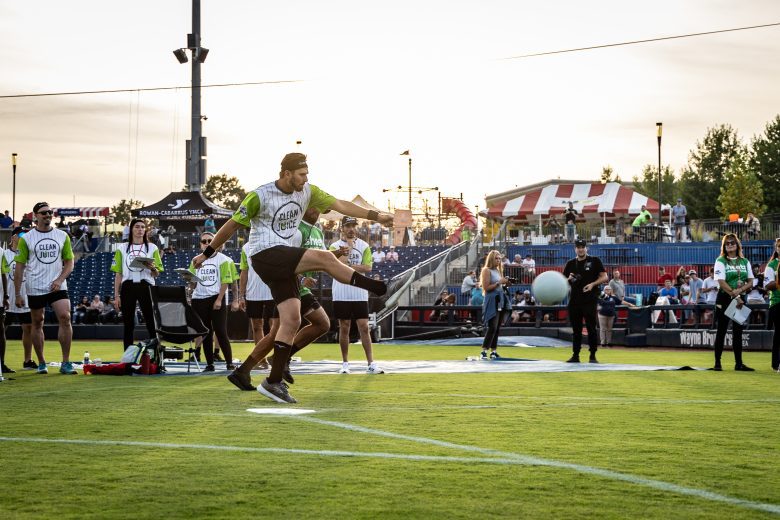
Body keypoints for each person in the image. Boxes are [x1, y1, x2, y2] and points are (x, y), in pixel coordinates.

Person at [193, 152, 393, 403]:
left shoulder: (308, 191)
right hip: (264, 254)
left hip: (285, 264)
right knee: (325, 259)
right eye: (301, 174)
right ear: (287, 174)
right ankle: (373, 286)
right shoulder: (260, 195)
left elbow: (341, 204)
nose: (305, 178)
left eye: (307, 173)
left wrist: (376, 216)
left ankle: (272, 381)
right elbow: (232, 225)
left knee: (291, 320)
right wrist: (207, 253)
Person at [227, 207, 333, 390]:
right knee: (315, 325)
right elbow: (286, 260)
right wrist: (301, 278)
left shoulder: (316, 231)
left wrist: (335, 257)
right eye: (315, 206)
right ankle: (273, 367)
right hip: (289, 285)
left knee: (282, 331)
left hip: (297, 288)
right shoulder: (294, 229)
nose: (318, 211)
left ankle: (244, 371)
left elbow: (319, 258)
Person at [13, 202, 76, 374]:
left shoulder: (62, 236)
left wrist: (60, 279)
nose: (48, 215)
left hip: (57, 285)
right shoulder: (26, 238)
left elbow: (69, 262)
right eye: (43, 213)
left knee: (65, 317)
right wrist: (18, 294)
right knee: (37, 322)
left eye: (49, 212)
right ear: (36, 216)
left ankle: (66, 362)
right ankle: (41, 362)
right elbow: (19, 267)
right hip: (35, 286)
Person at [330, 216, 383, 374]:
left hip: (359, 291)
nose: (351, 229)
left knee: (364, 327)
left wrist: (350, 267)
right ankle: (345, 363)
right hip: (341, 292)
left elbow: (367, 267)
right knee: (344, 327)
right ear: (342, 228)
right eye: (348, 226)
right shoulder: (334, 246)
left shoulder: (364, 245)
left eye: (353, 225)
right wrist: (349, 248)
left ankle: (371, 363)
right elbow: (338, 266)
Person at [111, 219, 163, 349]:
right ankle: (128, 355)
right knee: (128, 323)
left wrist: (152, 268)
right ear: (131, 229)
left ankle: (155, 354)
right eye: (137, 227)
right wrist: (116, 296)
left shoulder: (152, 247)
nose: (140, 229)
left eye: (142, 227)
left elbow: (156, 274)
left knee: (150, 321)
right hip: (128, 286)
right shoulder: (122, 248)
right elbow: (118, 274)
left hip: (146, 285)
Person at [188, 232, 236, 372]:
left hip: (215, 297)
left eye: (210, 240)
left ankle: (229, 363)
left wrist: (219, 299)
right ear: (200, 244)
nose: (207, 243)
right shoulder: (195, 260)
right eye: (204, 241)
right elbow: (193, 283)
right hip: (198, 299)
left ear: (217, 242)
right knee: (206, 333)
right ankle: (210, 364)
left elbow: (225, 281)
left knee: (220, 331)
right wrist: (189, 279)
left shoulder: (224, 260)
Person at [711, 233, 754, 371]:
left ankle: (739, 364)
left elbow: (751, 282)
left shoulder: (744, 261)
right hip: (724, 298)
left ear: (737, 245)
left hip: (740, 299)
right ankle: (717, 363)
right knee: (721, 330)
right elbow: (721, 282)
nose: (730, 245)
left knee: (738, 332)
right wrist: (736, 296)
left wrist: (740, 290)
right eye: (727, 243)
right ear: (724, 246)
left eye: (732, 242)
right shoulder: (720, 260)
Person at [562, 238, 608, 363]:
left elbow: (605, 277)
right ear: (575, 249)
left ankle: (592, 355)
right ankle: (575, 355)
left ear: (586, 248)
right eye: (578, 247)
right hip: (574, 301)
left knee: (591, 328)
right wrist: (569, 279)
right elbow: (563, 282)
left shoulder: (595, 260)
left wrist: (593, 284)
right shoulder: (570, 263)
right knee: (576, 330)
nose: (581, 249)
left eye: (583, 247)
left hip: (590, 300)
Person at [2, 227, 38, 370]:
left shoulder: (29, 255)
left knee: (28, 328)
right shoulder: (4, 254)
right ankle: (1, 363)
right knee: (2, 330)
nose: (24, 237)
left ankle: (27, 360)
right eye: (21, 234)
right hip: (7, 299)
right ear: (13, 237)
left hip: (25, 298)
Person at [237, 241, 277, 370]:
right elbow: (244, 272)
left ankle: (277, 358)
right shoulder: (246, 247)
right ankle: (261, 360)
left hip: (272, 291)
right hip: (253, 293)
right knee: (256, 326)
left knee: (275, 327)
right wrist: (241, 296)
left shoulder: (273, 242)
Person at [479, 250, 509, 359]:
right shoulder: (486, 270)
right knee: (492, 326)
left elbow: (499, 286)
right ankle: (484, 351)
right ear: (491, 259)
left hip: (500, 299)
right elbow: (486, 288)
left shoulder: (498, 270)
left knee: (497, 327)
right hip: (492, 300)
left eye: (500, 258)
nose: (498, 260)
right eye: (496, 258)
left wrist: (506, 283)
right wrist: (499, 283)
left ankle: (493, 351)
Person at [763, 238, 780, 370]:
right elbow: (767, 286)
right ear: (776, 249)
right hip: (777, 302)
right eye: (779, 246)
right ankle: (777, 363)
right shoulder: (771, 265)